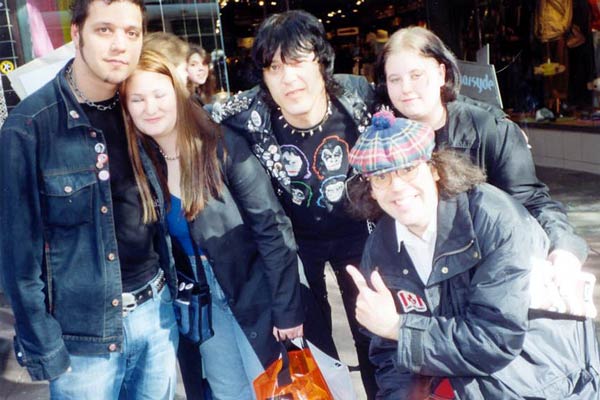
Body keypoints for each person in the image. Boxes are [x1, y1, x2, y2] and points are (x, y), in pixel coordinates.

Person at [344, 111, 600, 399]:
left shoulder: (495, 220)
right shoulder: (381, 248)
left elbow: (495, 340)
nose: (398, 186)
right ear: (371, 189)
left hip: (540, 379)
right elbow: (390, 356)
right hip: (459, 377)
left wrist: (399, 328)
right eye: (381, 176)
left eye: (409, 169)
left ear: (434, 169)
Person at [0, 0, 179, 399]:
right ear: (77, 33)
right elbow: (17, 259)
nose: (120, 44)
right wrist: (45, 346)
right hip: (82, 342)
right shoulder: (30, 126)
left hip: (157, 315)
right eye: (104, 30)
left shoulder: (141, 109)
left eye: (131, 32)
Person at [211, 10, 378, 397]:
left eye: (299, 61)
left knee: (375, 339)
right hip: (295, 243)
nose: (288, 78)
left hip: (360, 233)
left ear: (322, 62)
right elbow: (190, 121)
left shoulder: (360, 99)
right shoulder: (246, 114)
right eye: (274, 67)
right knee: (313, 348)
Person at [121, 49, 304, 400]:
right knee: (228, 392)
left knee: (279, 389)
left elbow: (272, 227)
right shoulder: (141, 164)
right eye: (137, 99)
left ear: (177, 93)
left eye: (159, 95)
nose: (150, 108)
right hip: (200, 302)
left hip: (255, 288)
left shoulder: (221, 144)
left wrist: (287, 308)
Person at [374, 26, 588, 280]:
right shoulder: (382, 138)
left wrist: (562, 249)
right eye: (395, 79)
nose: (406, 88)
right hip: (417, 273)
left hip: (488, 268)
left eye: (416, 75)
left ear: (441, 73)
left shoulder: (489, 129)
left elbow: (531, 202)